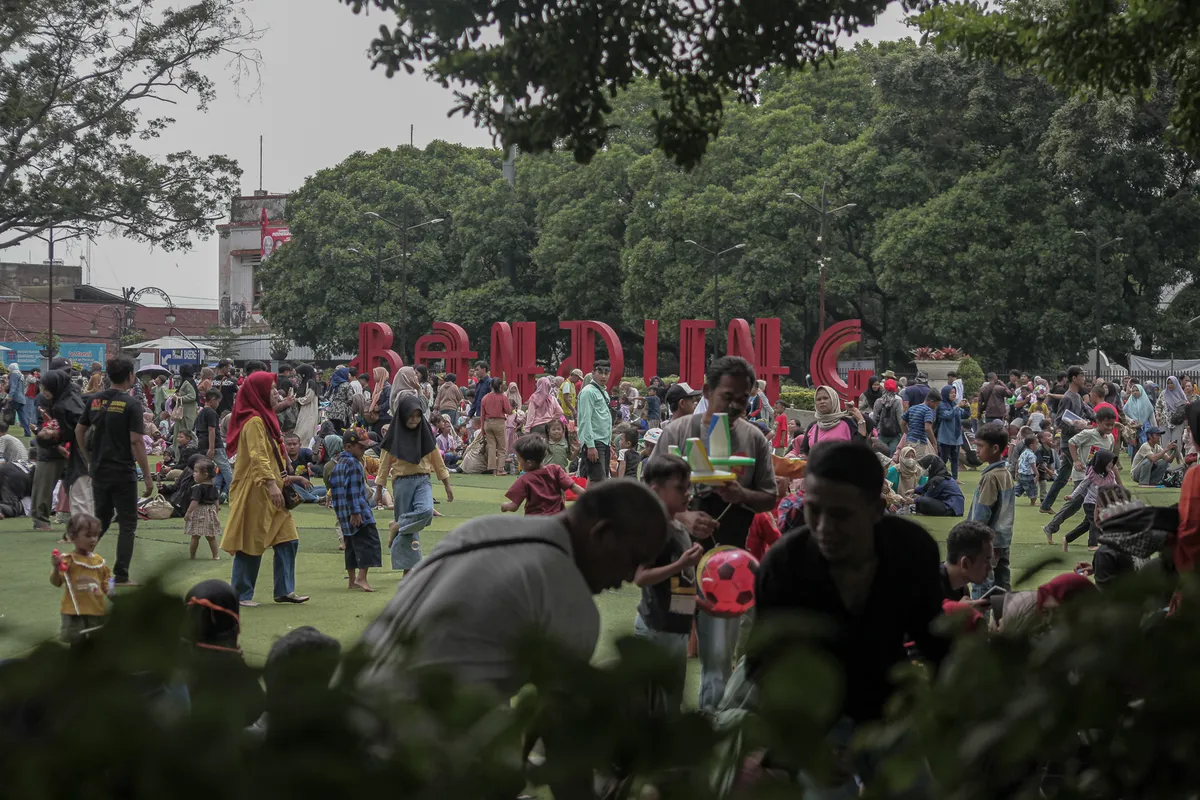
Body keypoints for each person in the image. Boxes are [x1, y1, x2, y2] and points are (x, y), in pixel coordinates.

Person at [752, 441, 948, 797]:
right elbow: (765, 664)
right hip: (815, 715)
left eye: (841, 514)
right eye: (814, 510)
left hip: (887, 707)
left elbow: (935, 642)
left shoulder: (911, 551)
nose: (824, 527)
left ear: (876, 509)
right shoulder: (784, 567)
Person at [361, 480, 669, 701]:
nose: (631, 578)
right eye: (634, 560)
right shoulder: (569, 597)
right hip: (407, 758)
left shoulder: (478, 530)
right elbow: (561, 740)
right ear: (604, 535)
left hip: (347, 715)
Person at [649, 355, 777, 710]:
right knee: (669, 652)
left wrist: (742, 495)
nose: (736, 405)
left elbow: (769, 496)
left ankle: (713, 727)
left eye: (743, 399)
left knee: (718, 659)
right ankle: (664, 730)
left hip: (727, 569)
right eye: (727, 397)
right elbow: (648, 493)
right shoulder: (677, 432)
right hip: (676, 564)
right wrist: (684, 517)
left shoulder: (754, 438)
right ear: (707, 391)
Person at [219, 371, 309, 607]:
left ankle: (284, 590)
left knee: (288, 539)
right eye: (271, 389)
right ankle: (241, 594)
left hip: (272, 487)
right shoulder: (254, 422)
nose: (275, 393)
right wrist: (271, 484)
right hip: (257, 489)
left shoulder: (265, 418)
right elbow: (258, 456)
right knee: (251, 540)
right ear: (258, 392)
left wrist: (282, 477)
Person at [634, 454, 704, 712]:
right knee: (654, 706)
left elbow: (679, 581)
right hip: (658, 627)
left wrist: (699, 602)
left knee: (670, 704)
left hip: (676, 626)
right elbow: (641, 577)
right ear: (656, 491)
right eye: (680, 488)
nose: (688, 494)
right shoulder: (655, 528)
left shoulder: (677, 525)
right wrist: (681, 564)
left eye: (689, 487)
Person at [75, 357, 152, 587]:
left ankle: (79, 560)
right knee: (127, 524)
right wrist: (147, 476)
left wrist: (89, 458)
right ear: (130, 376)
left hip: (100, 469)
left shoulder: (94, 400)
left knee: (101, 519)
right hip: (123, 472)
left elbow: (79, 430)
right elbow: (136, 441)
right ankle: (121, 575)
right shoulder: (132, 404)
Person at [374, 395, 455, 575]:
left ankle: (397, 525)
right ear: (402, 415)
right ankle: (407, 570)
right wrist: (379, 489)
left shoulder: (425, 436)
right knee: (410, 531)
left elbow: (438, 461)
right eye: (410, 416)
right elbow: (384, 466)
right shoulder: (394, 438)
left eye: (418, 416)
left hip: (423, 480)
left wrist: (447, 485)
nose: (414, 420)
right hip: (402, 483)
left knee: (426, 511)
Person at [1043, 406, 1119, 543]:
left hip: (1098, 479)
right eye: (1106, 424)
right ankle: (1051, 527)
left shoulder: (1110, 438)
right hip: (1083, 475)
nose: (1109, 427)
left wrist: (1117, 482)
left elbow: (1109, 460)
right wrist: (1076, 461)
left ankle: (1077, 538)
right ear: (1098, 422)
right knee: (1075, 503)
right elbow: (1072, 442)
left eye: (1111, 425)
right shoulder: (1088, 434)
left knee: (1094, 508)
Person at [329, 427, 383, 592]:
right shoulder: (354, 464)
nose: (363, 451)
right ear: (348, 447)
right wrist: (356, 511)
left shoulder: (338, 465)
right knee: (369, 543)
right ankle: (362, 577)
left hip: (343, 512)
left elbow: (336, 490)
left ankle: (352, 579)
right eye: (361, 448)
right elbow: (352, 490)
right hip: (358, 512)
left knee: (351, 545)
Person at [31, 369, 84, 530]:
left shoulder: (70, 399)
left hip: (72, 449)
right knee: (44, 485)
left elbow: (78, 426)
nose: (44, 391)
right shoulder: (46, 399)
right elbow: (43, 424)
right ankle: (40, 520)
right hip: (50, 448)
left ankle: (82, 519)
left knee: (77, 485)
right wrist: (53, 442)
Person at [966, 422, 1016, 592]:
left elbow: (982, 512)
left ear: (995, 448)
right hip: (1003, 538)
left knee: (982, 583)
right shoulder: (1006, 473)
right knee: (1002, 586)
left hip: (986, 541)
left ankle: (981, 611)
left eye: (980, 446)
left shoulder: (990, 477)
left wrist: (972, 538)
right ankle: (1006, 610)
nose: (976, 450)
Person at [49, 513, 110, 643]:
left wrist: (112, 592)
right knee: (77, 644)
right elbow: (56, 582)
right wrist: (55, 568)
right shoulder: (68, 560)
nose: (93, 539)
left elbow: (106, 581)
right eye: (88, 536)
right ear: (73, 537)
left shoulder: (99, 561)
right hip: (74, 612)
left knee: (96, 644)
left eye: (95, 535)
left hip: (96, 610)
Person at [1041, 365, 1092, 513]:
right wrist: (1078, 427)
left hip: (1074, 441)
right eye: (1082, 376)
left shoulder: (1077, 397)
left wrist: (1103, 419)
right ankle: (1082, 505)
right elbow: (1059, 421)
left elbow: (1090, 412)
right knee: (1083, 472)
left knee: (1063, 478)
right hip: (1069, 442)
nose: (1084, 379)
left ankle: (1045, 506)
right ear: (1074, 378)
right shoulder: (1068, 398)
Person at [502, 433, 578, 515]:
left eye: (519, 460)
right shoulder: (555, 469)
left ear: (529, 463)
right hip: (558, 518)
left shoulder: (524, 479)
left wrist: (504, 506)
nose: (519, 463)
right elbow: (573, 486)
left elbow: (514, 507)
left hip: (536, 519)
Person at [798, 385, 867, 455]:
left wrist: (860, 419)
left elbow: (860, 447)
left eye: (825, 398)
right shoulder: (813, 426)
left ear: (834, 400)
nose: (822, 401)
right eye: (818, 399)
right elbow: (804, 452)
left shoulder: (847, 423)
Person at [577, 361, 614, 483]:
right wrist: (591, 446)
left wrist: (609, 442)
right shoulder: (588, 392)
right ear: (593, 373)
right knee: (599, 480)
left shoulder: (603, 391)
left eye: (606, 373)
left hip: (604, 441)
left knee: (595, 480)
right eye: (600, 372)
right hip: (594, 441)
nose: (603, 376)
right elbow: (585, 420)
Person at [941, 520, 995, 601]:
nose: (990, 567)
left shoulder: (961, 588)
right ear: (965, 563)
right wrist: (959, 608)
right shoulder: (926, 588)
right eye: (986, 560)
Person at [185, 459, 222, 561]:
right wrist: (216, 512)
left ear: (205, 475)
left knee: (195, 536)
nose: (193, 474)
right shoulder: (214, 487)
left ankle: (192, 555)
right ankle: (215, 555)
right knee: (211, 536)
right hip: (210, 511)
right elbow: (216, 501)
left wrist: (188, 512)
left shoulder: (198, 488)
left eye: (196, 472)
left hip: (199, 511)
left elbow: (194, 501)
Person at [935, 384, 970, 479]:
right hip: (946, 437)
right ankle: (940, 476)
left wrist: (967, 407)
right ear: (946, 393)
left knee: (955, 459)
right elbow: (948, 415)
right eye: (951, 393)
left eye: (954, 392)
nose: (954, 394)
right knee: (944, 459)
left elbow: (964, 415)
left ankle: (955, 478)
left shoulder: (954, 404)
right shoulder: (941, 405)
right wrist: (958, 406)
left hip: (956, 437)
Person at [480, 377, 510, 476]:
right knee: (502, 447)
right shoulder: (503, 397)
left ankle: (493, 470)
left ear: (491, 385)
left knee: (491, 447)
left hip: (487, 423)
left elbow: (482, 415)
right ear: (500, 386)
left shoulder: (485, 398)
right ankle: (500, 469)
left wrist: (482, 429)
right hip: (499, 422)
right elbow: (508, 410)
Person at [900, 387, 940, 457]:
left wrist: (908, 433)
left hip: (909, 441)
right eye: (937, 404)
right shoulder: (928, 410)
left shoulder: (912, 408)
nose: (936, 407)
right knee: (918, 462)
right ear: (931, 402)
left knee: (909, 461)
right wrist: (934, 442)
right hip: (919, 442)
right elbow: (927, 428)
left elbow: (902, 423)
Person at [1156, 375, 1190, 452]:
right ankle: (1165, 458)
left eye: (1172, 383)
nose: (1170, 385)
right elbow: (1158, 406)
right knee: (1165, 444)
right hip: (1165, 421)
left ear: (1176, 383)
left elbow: (1186, 408)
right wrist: (1157, 415)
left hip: (1178, 422)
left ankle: (1178, 458)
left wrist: (1186, 423)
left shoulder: (1181, 394)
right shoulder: (1163, 393)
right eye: (1168, 383)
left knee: (1176, 443)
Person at [872, 378, 904, 456]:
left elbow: (874, 418)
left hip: (881, 432)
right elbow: (900, 419)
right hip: (894, 434)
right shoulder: (898, 401)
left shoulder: (878, 401)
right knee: (892, 456)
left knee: (880, 455)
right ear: (895, 389)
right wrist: (903, 434)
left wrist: (875, 431)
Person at [326, 367, 354, 433]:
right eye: (348, 374)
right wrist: (344, 403)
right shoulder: (347, 385)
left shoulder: (333, 384)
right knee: (342, 431)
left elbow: (327, 395)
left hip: (331, 411)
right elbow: (350, 399)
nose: (349, 375)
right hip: (342, 412)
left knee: (332, 430)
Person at [175, 363, 199, 436]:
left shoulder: (187, 382)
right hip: (184, 412)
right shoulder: (187, 381)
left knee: (186, 433)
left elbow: (192, 396)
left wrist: (179, 398)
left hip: (187, 413)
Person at [1015, 433, 1039, 505]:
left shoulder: (1023, 453)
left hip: (1021, 473)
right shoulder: (1031, 455)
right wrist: (1037, 474)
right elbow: (1032, 465)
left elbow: (1018, 462)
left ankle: (1010, 496)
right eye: (1036, 444)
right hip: (1028, 474)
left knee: (1020, 486)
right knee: (1032, 488)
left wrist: (1016, 472)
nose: (1037, 446)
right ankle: (1033, 503)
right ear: (1031, 445)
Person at [7, 364, 30, 436]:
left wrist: (10, 396)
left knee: (6, 413)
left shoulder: (14, 374)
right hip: (21, 398)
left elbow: (13, 386)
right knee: (22, 416)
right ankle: (27, 432)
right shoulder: (21, 375)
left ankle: (3, 431)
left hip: (15, 397)